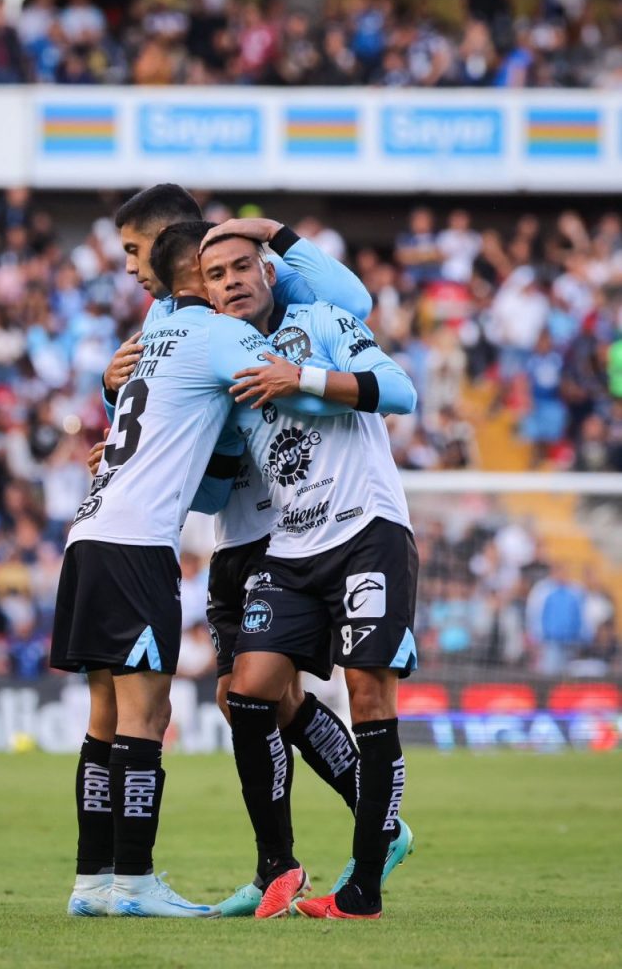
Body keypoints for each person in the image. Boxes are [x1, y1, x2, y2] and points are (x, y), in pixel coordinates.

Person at [53, 200, 360, 920]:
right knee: (147, 713)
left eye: (135, 253)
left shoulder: (154, 336)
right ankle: (132, 882)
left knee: (117, 713)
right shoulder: (213, 332)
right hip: (141, 541)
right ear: (199, 267)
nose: (131, 268)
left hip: (94, 527)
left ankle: (92, 882)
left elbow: (162, 419)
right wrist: (344, 382)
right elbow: (292, 389)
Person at [192, 224, 418, 920]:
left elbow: (400, 391)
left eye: (241, 267)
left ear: (266, 274)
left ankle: (362, 892)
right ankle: (277, 867)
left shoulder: (319, 320)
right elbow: (216, 483)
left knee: (369, 696)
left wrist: (303, 378)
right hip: (289, 548)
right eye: (216, 275)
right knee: (247, 693)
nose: (230, 281)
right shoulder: (225, 368)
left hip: (366, 529)